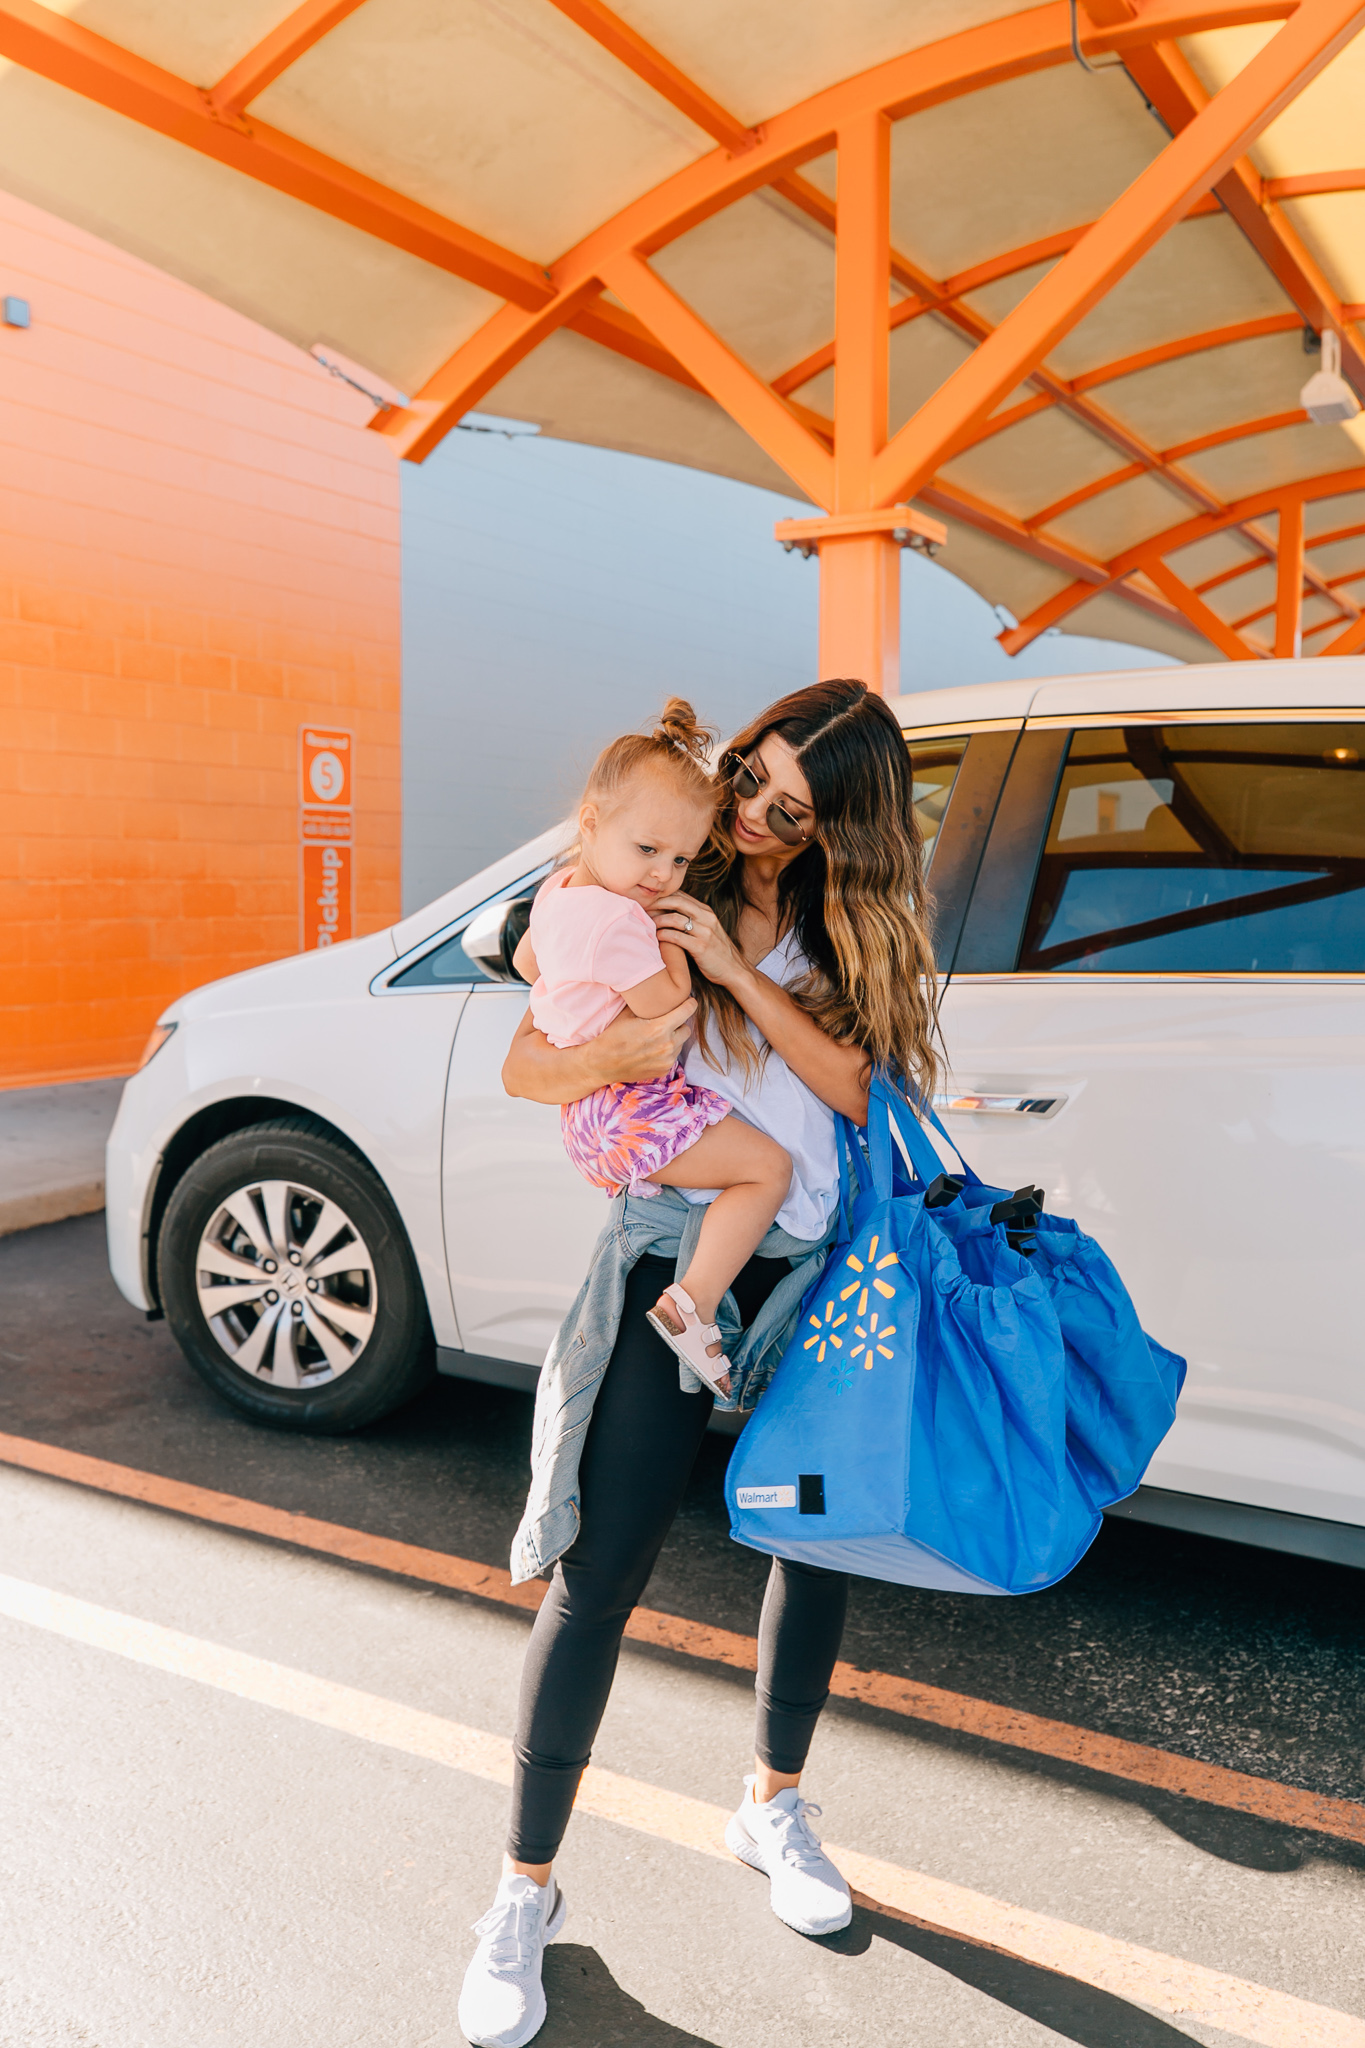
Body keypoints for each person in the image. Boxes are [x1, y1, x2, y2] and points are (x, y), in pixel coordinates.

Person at [457, 679, 940, 2048]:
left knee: (816, 1552)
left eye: (793, 810)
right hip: (678, 1262)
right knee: (599, 1572)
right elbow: (529, 1067)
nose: (756, 820)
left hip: (818, 1277)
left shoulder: (858, 930)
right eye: (752, 782)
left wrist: (735, 976)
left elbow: (861, 1093)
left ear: (846, 828)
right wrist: (620, 1040)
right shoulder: (668, 871)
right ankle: (522, 1890)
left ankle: (772, 1807)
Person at [512, 697, 793, 1396]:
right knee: (766, 1169)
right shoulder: (624, 923)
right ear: (591, 822)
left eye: (680, 859)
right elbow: (671, 1013)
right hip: (627, 1103)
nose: (662, 876)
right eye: (646, 850)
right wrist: (669, 941)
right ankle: (691, 1304)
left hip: (586, 1114)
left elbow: (526, 964)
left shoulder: (558, 891)